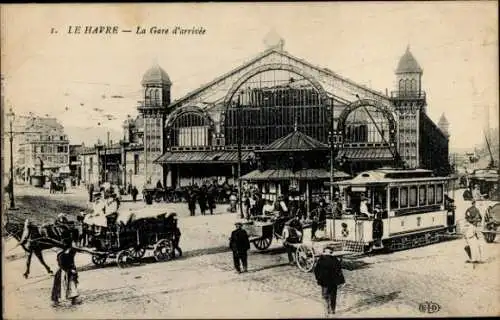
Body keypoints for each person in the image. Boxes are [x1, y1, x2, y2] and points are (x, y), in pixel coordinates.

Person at [314, 246, 345, 316]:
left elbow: (316, 271)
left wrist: (318, 279)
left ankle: (327, 311)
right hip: (333, 282)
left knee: (325, 296)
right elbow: (339, 271)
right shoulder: (335, 260)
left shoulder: (321, 260)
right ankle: (333, 310)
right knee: (333, 296)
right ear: (331, 253)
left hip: (324, 282)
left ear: (324, 252)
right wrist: (342, 281)